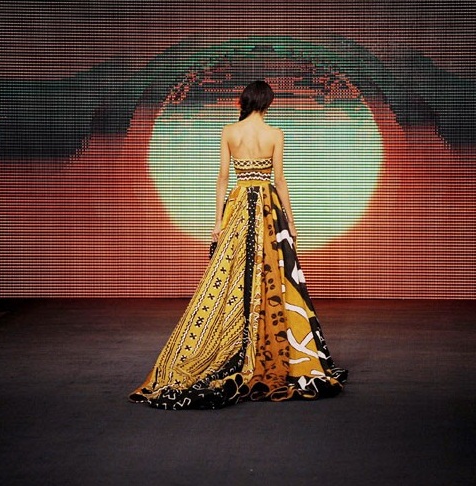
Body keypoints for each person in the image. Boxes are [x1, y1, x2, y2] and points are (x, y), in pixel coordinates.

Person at [129, 80, 347, 409]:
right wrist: (291, 221)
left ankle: (234, 339)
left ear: (244, 101)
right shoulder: (275, 134)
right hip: (268, 209)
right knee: (274, 274)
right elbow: (280, 179)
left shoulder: (230, 131)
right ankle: (274, 345)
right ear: (268, 103)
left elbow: (222, 178)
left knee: (233, 274)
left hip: (238, 206)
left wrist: (217, 222)